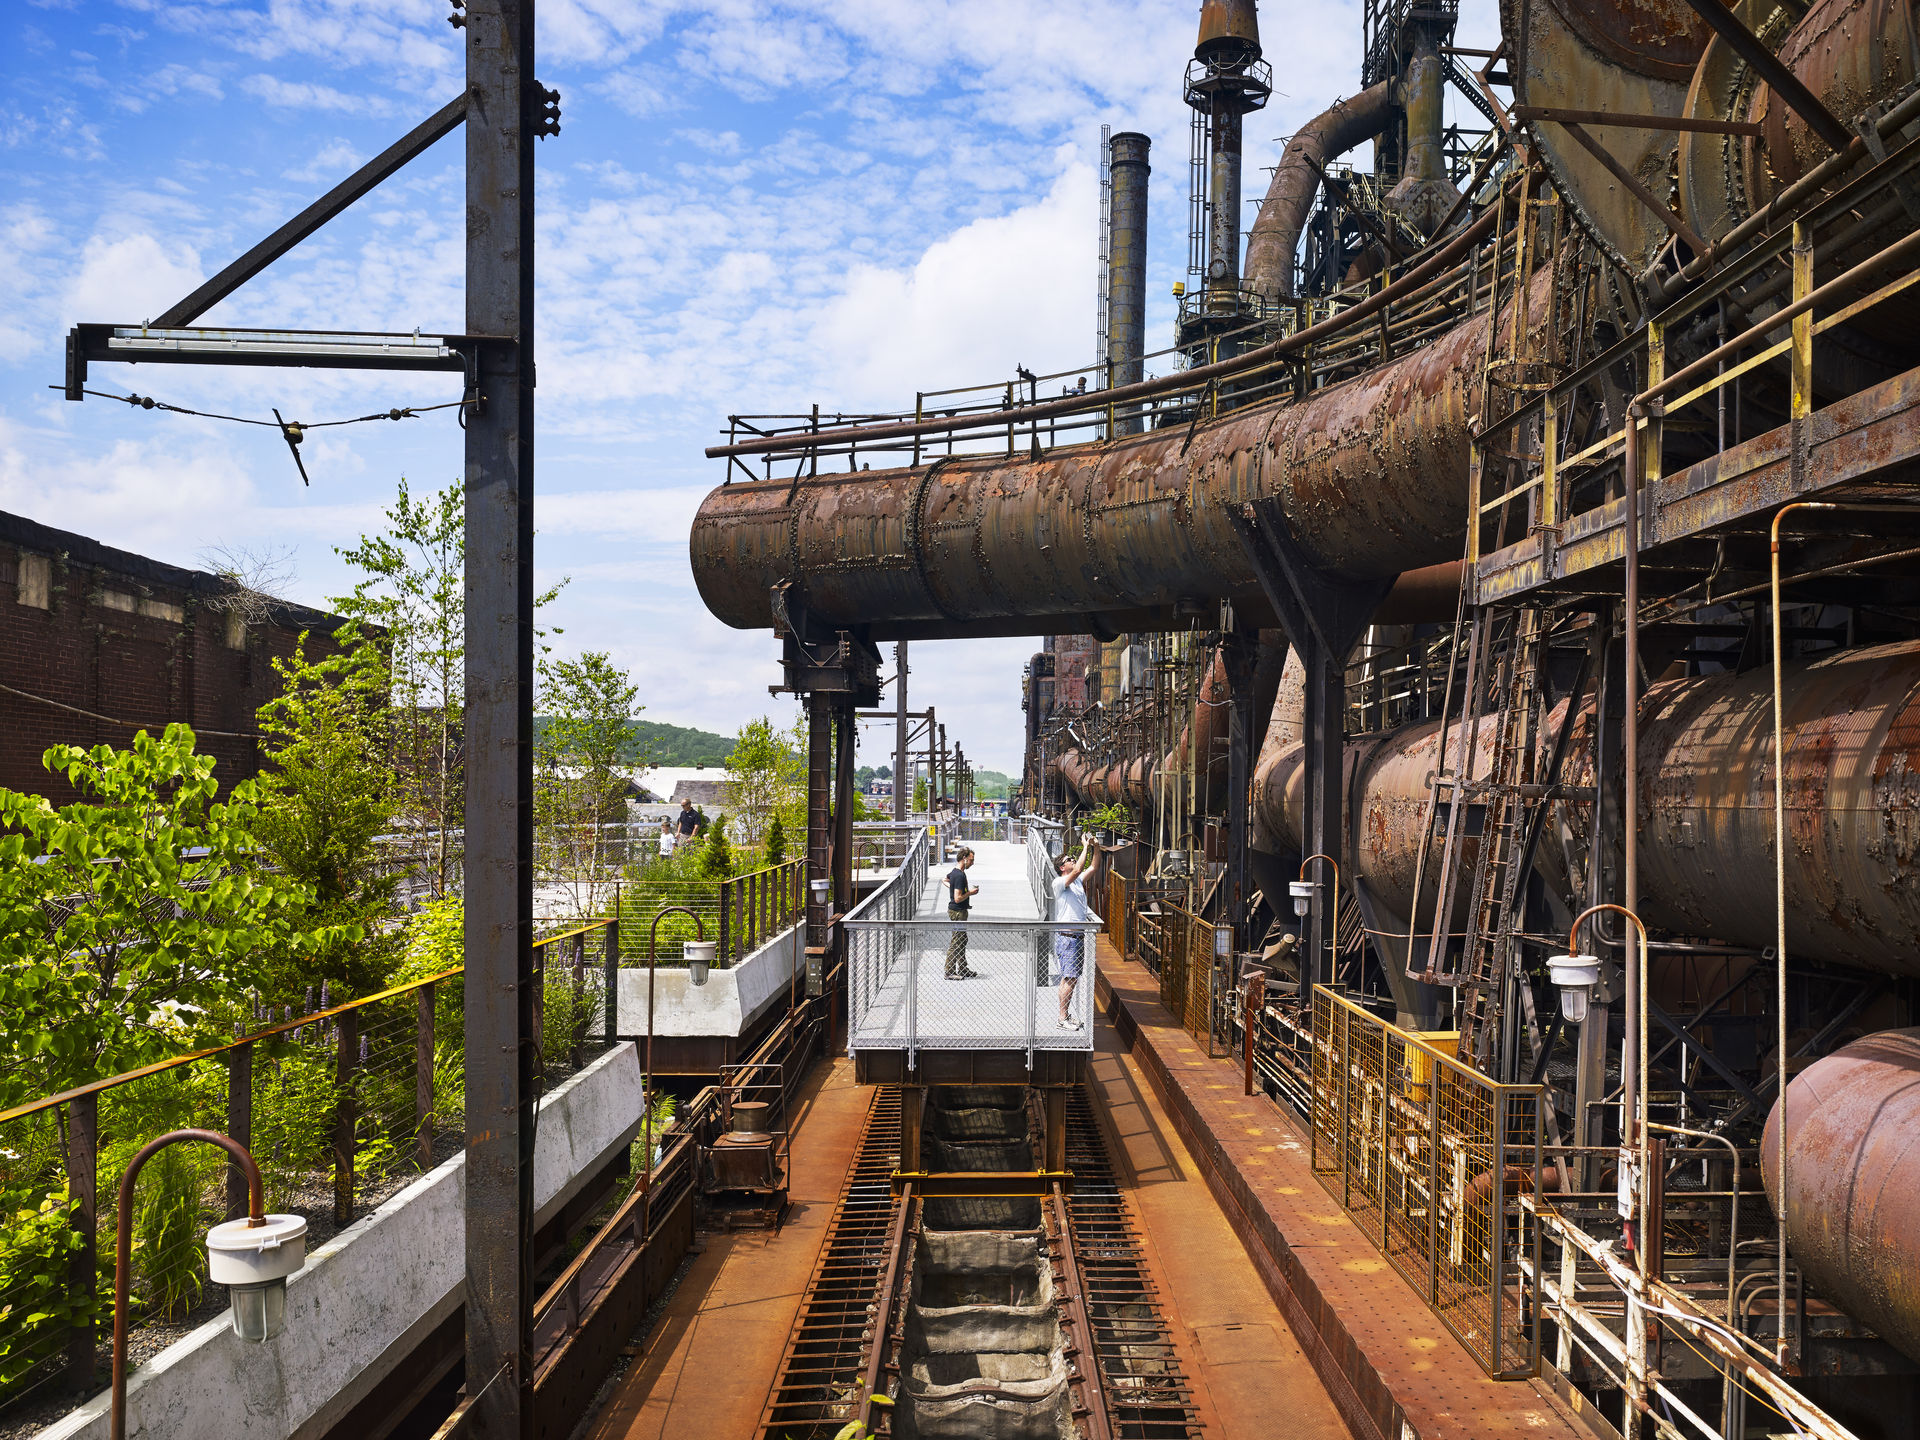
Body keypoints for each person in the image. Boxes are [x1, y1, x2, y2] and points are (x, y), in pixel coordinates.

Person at [1051, 839, 1102, 1029]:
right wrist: (1086, 846)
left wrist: (1096, 847)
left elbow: (1093, 867)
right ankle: (1062, 1018)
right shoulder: (1059, 883)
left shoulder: (1078, 882)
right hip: (1067, 938)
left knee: (1069, 978)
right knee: (1070, 978)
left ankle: (1064, 1015)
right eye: (1070, 859)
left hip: (1077, 937)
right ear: (1063, 867)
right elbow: (1079, 869)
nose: (1073, 860)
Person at [945, 847, 980, 979]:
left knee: (962, 939)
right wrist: (971, 893)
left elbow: (945, 880)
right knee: (957, 940)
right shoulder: (959, 875)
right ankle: (949, 971)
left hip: (957, 911)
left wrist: (953, 888)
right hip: (958, 912)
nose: (972, 863)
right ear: (964, 859)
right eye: (971, 860)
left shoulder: (954, 872)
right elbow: (958, 898)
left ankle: (963, 968)